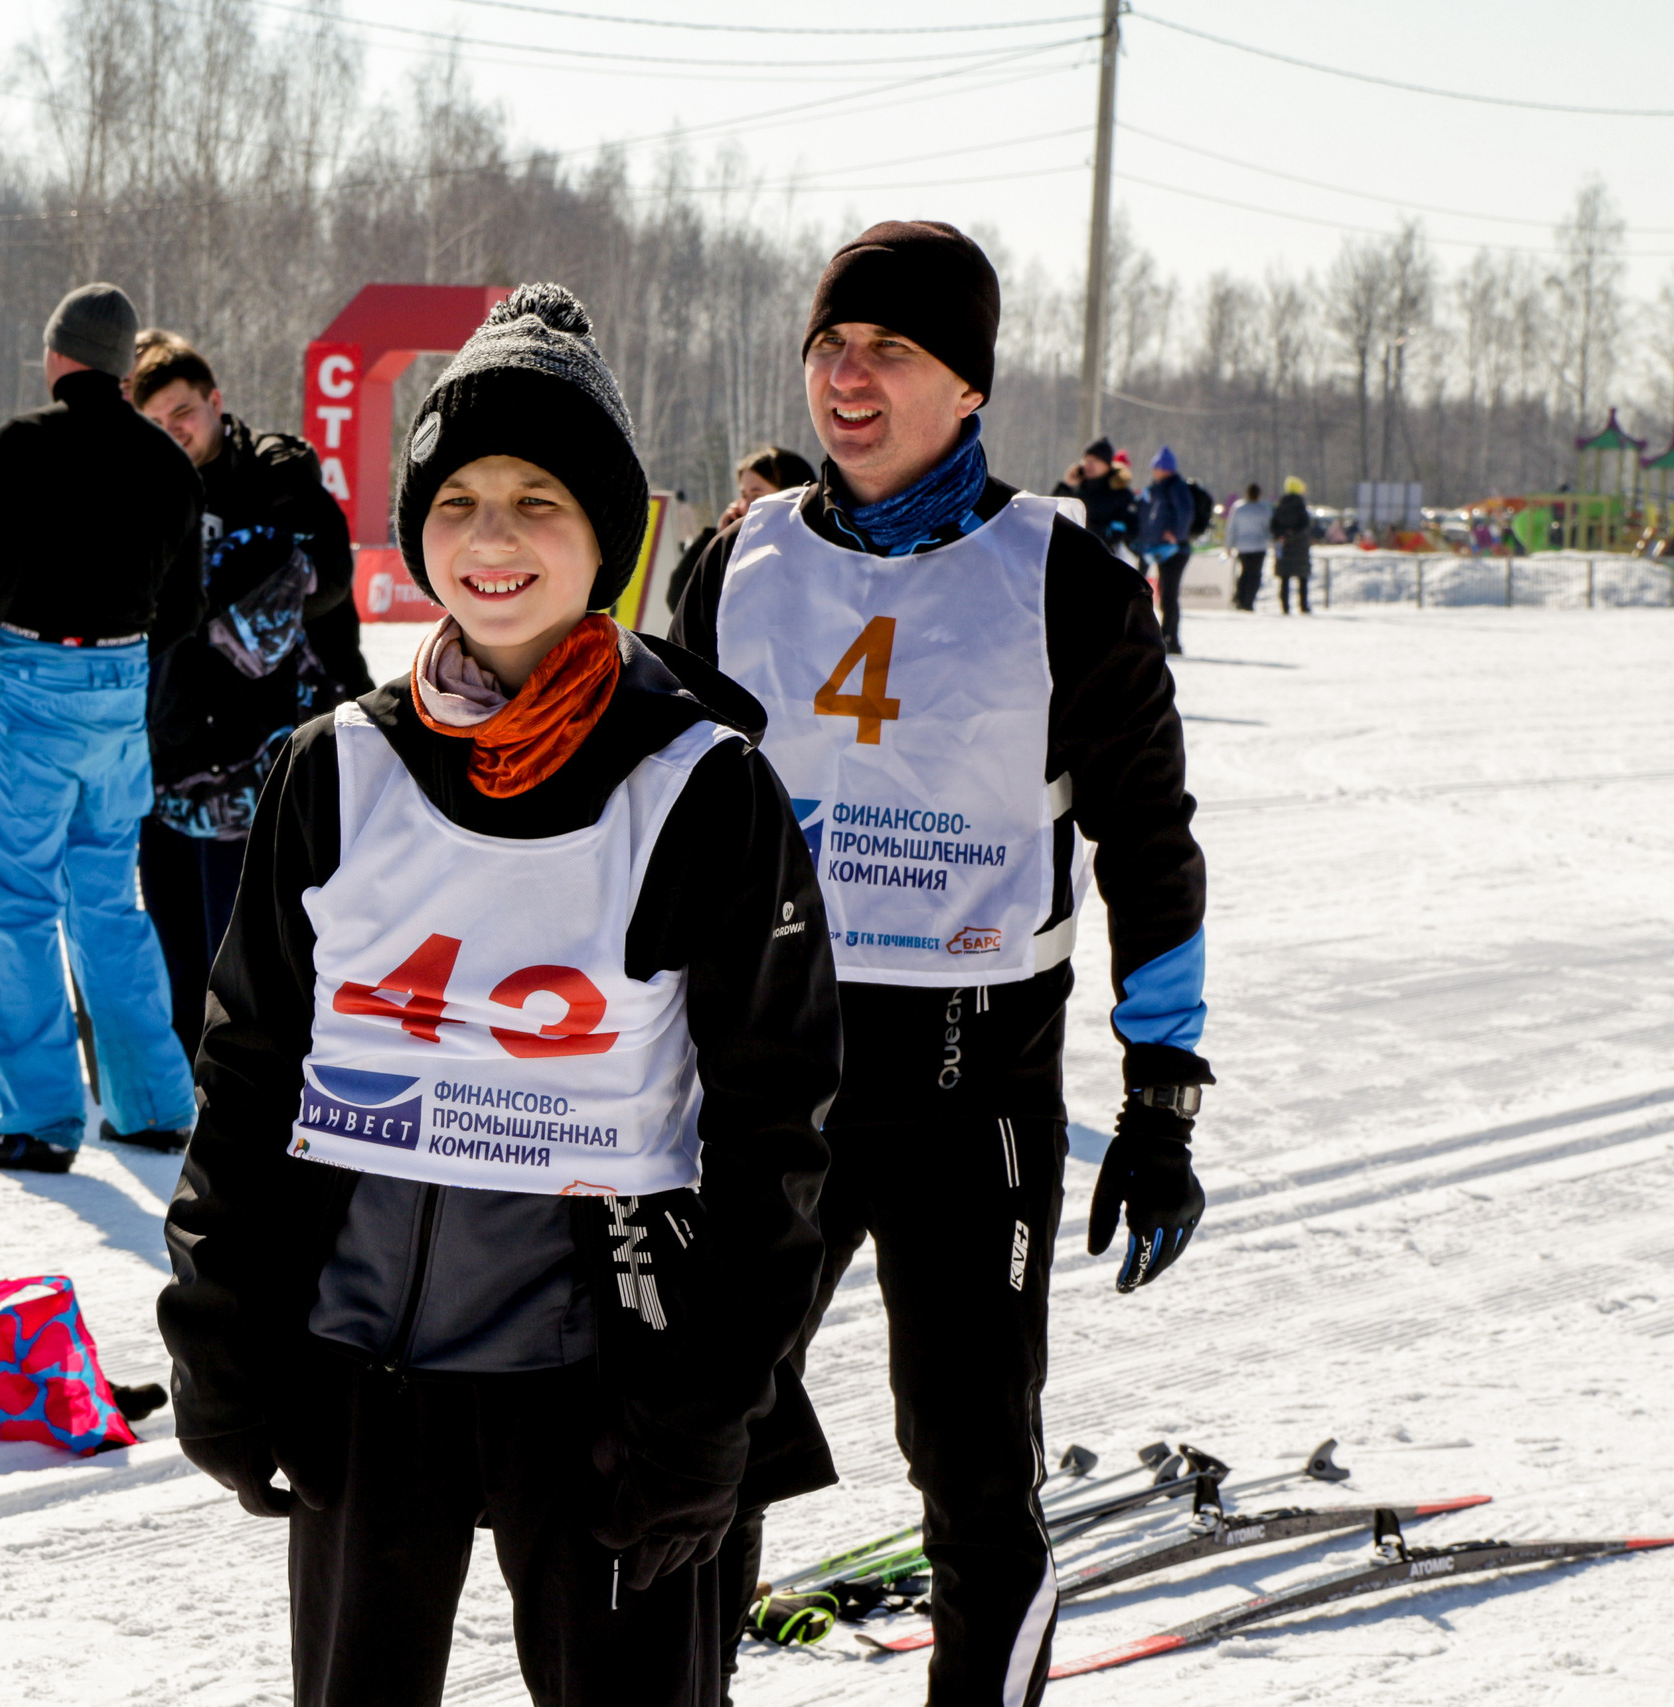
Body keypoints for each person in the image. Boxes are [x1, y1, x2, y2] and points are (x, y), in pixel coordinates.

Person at [159, 283, 840, 1707]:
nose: (492, 539)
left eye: (538, 501)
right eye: (459, 501)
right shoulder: (336, 768)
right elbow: (249, 1068)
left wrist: (710, 1408)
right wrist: (219, 1332)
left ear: (605, 534)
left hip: (603, 1385)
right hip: (359, 1364)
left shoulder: (702, 784)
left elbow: (775, 1128)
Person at [671, 221, 1212, 1703]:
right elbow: (658, 830)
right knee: (704, 1442)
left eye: (890, 350)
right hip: (770, 1082)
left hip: (972, 1091)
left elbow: (1149, 845)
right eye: (830, 345)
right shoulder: (737, 563)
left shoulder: (1068, 581)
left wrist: (1162, 1094)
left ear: (968, 384)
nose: (847, 377)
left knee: (973, 1470)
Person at [0, 282, 206, 1172]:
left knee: (15, 899)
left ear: (56, 354)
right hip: (121, 687)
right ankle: (153, 1103)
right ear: (122, 366)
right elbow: (185, 607)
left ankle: (40, 1115)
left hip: (35, 681)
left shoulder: (27, 442)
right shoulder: (168, 461)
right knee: (109, 900)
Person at [131, 328, 361, 1060]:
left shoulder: (276, 476)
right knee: (176, 951)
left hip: (262, 756)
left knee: (243, 957)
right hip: (168, 751)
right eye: (156, 422)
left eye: (183, 413)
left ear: (215, 402)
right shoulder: (143, 493)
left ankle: (250, 1090)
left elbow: (327, 583)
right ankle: (185, 1091)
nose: (173, 431)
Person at [664, 445, 818, 615]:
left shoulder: (814, 554)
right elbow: (681, 602)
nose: (743, 506)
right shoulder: (739, 550)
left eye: (757, 495)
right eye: (744, 495)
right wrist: (718, 539)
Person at [1136, 445, 1196, 654]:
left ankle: (1172, 639)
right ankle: (1165, 635)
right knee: (1165, 594)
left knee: (1169, 595)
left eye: (1157, 467)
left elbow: (1186, 512)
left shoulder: (1176, 487)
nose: (1154, 471)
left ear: (1165, 469)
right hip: (1161, 548)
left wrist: (1177, 535)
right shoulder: (1157, 487)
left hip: (1175, 550)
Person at [1051, 435, 1135, 555]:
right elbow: (1052, 512)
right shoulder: (1077, 490)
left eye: (1094, 461)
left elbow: (1129, 531)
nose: (1088, 466)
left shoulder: (1120, 494)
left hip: (1106, 556)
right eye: (1086, 461)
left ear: (1106, 464)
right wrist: (1066, 485)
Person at [1271, 476, 1314, 614]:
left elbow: (1273, 526)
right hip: (1299, 547)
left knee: (1284, 578)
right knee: (1302, 578)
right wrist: (1294, 534)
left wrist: (1282, 535)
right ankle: (1303, 605)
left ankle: (1285, 606)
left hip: (1284, 547)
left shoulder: (1280, 506)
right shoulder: (1301, 506)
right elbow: (1305, 525)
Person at [1227, 482, 1272, 611]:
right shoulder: (1263, 509)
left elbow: (1232, 528)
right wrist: (1271, 542)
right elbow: (1268, 528)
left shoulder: (1239, 508)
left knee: (1245, 573)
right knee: (1255, 575)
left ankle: (1240, 599)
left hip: (1243, 546)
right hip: (1259, 546)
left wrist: (1229, 545)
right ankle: (1249, 601)